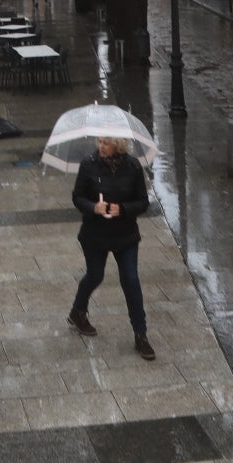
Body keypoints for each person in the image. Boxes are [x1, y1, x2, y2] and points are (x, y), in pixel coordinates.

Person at [66, 135, 155, 360]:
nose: (101, 146)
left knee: (131, 280)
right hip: (95, 235)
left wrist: (123, 209)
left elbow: (143, 202)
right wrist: (93, 207)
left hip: (125, 235)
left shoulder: (133, 166)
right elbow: (77, 197)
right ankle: (78, 311)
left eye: (106, 142)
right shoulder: (88, 164)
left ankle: (140, 334)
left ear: (119, 145)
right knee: (95, 275)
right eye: (100, 142)